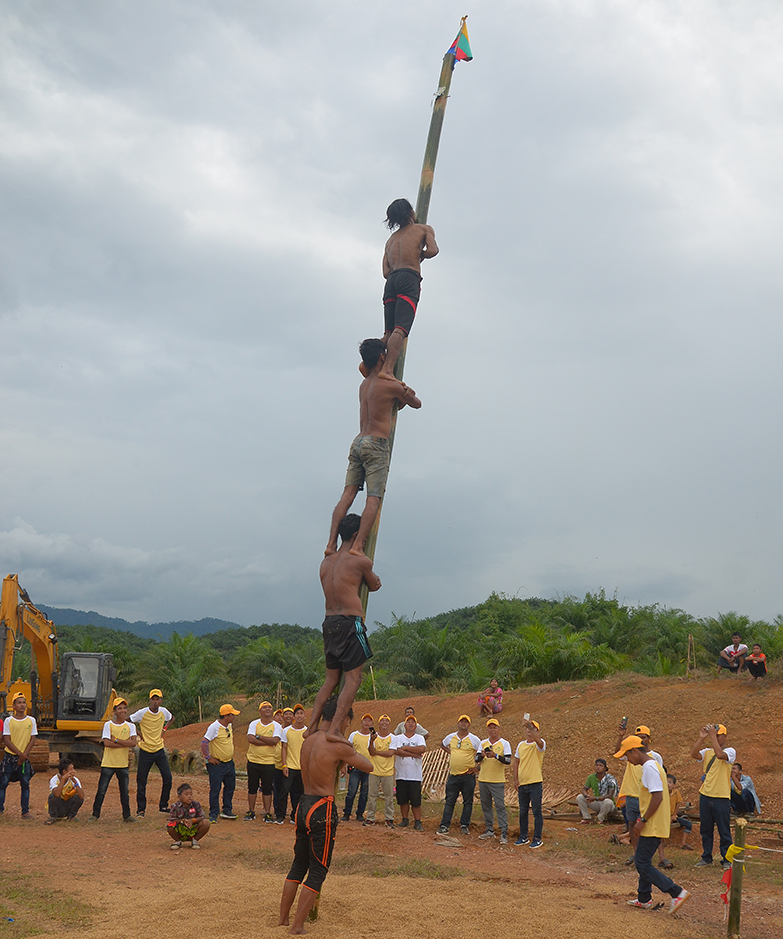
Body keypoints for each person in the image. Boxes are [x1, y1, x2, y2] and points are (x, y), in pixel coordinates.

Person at [278, 696, 373, 934]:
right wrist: (344, 748)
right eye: (347, 723)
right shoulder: (338, 744)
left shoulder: (307, 740)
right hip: (322, 807)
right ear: (342, 719)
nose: (346, 728)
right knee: (318, 870)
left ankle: (283, 919)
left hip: (303, 805)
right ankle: (297, 926)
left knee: (299, 864)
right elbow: (368, 766)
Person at [325, 339, 422, 559]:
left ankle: (331, 544)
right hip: (376, 444)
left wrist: (400, 395)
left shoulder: (365, 384)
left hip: (358, 441)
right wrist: (405, 389)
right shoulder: (390, 385)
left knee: (347, 494)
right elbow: (417, 403)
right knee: (373, 498)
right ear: (381, 357)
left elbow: (390, 404)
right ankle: (358, 546)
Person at [309, 512, 382, 742]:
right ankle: (334, 730)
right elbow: (374, 585)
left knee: (331, 680)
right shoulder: (360, 560)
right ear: (356, 534)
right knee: (354, 679)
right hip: (351, 623)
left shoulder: (325, 562)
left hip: (329, 623)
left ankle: (311, 728)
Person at [614, 735, 690, 914]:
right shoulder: (651, 766)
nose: (628, 760)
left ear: (635, 751)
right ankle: (644, 898)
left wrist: (643, 821)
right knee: (644, 860)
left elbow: (657, 797)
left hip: (652, 824)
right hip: (654, 823)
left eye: (627, 755)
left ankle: (676, 892)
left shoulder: (649, 768)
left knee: (641, 863)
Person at [379, 197, 439, 379]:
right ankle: (387, 370)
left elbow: (385, 271)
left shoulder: (390, 241)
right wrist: (418, 254)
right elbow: (433, 250)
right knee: (400, 328)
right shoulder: (423, 229)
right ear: (411, 212)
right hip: (408, 277)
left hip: (391, 281)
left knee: (388, 332)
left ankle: (374, 360)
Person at [614, 723, 664, 864]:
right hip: (632, 795)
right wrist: (621, 736)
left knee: (650, 826)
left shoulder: (653, 760)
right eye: (638, 737)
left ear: (649, 739)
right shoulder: (632, 754)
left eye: (644, 737)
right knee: (631, 824)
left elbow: (658, 792)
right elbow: (618, 752)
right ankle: (637, 854)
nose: (641, 740)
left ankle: (661, 857)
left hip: (648, 797)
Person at [690, 723, 736, 869]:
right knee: (706, 828)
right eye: (714, 735)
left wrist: (711, 736)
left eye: (718, 735)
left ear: (725, 737)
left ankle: (727, 859)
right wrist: (702, 738)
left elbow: (720, 755)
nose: (715, 738)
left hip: (721, 796)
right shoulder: (708, 751)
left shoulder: (730, 751)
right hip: (705, 794)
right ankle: (706, 857)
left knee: (724, 829)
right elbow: (693, 754)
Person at [91, 697, 137, 822]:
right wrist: (125, 743)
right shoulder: (108, 724)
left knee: (124, 792)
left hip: (122, 764)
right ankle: (95, 815)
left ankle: (127, 816)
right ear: (115, 711)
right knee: (101, 790)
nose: (123, 711)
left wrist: (116, 740)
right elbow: (107, 743)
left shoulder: (130, 726)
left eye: (124, 708)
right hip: (109, 763)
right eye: (119, 708)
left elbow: (133, 743)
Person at [130, 688, 174, 818]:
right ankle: (141, 810)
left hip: (159, 750)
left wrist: (164, 729)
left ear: (161, 700)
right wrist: (137, 733)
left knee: (168, 778)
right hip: (145, 751)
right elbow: (128, 720)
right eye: (153, 699)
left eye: (158, 699)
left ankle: (163, 805)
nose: (155, 702)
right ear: (150, 700)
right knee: (141, 781)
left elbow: (172, 719)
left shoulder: (164, 712)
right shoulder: (142, 713)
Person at [436, 715, 482, 835]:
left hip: (468, 775)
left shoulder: (474, 739)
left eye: (466, 722)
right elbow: (442, 745)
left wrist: (478, 767)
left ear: (469, 725)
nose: (463, 724)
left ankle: (464, 824)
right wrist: (453, 753)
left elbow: (482, 753)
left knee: (467, 801)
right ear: (458, 723)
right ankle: (444, 825)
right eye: (461, 721)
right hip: (453, 775)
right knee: (450, 801)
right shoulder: (451, 737)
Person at [0, 692, 38, 819]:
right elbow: (7, 740)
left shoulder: (31, 720)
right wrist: (20, 754)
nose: (22, 705)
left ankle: (25, 811)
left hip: (24, 757)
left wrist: (24, 755)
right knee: (3, 783)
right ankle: (0, 809)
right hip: (10, 757)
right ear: (14, 706)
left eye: (24, 702)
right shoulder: (8, 721)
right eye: (19, 702)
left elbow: (32, 739)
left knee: (25, 784)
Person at [201, 703, 240, 823]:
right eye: (232, 715)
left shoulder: (229, 725)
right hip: (217, 764)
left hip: (229, 763)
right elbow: (204, 742)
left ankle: (227, 810)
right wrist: (208, 757)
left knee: (230, 786)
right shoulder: (214, 727)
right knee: (215, 789)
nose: (234, 717)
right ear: (226, 716)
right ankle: (213, 813)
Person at [245, 700, 282, 822]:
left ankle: (267, 812)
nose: (268, 709)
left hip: (269, 762)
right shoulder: (254, 724)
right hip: (253, 760)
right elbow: (250, 739)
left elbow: (275, 741)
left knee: (267, 788)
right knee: (252, 787)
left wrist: (258, 736)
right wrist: (267, 741)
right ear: (260, 711)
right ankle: (251, 811)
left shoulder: (277, 726)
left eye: (270, 707)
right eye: (265, 707)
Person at [477, 718, 511, 844]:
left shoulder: (504, 744)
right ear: (487, 730)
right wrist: (482, 755)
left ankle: (503, 832)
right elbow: (476, 758)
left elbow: (508, 760)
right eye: (490, 728)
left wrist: (495, 755)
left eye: (494, 727)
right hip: (483, 779)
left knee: (500, 806)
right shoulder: (483, 742)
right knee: (486, 806)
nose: (492, 730)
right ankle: (489, 829)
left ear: (499, 729)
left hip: (497, 780)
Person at [513, 717, 546, 848]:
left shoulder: (539, 744)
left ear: (537, 731)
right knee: (523, 811)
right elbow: (516, 761)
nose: (529, 731)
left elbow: (541, 744)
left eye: (532, 728)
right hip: (523, 783)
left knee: (537, 811)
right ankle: (523, 836)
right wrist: (515, 779)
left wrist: (530, 727)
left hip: (535, 783)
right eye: (527, 728)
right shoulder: (521, 745)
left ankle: (537, 838)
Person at [390, 715, 426, 830]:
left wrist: (405, 748)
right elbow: (397, 751)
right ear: (404, 725)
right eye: (408, 722)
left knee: (416, 800)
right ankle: (404, 819)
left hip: (415, 775)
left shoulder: (420, 738)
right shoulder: (398, 737)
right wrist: (414, 754)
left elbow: (422, 749)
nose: (411, 724)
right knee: (403, 799)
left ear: (416, 726)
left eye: (413, 723)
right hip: (401, 774)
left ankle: (417, 821)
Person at [364, 714, 395, 827]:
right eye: (382, 721)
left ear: (389, 724)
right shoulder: (373, 737)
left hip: (387, 772)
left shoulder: (393, 737)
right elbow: (370, 751)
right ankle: (371, 818)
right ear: (378, 724)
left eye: (386, 721)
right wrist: (372, 741)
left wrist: (377, 752)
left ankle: (389, 818)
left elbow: (390, 753)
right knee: (372, 796)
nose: (384, 723)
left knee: (389, 797)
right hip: (374, 771)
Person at [342, 713, 373, 822]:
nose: (367, 723)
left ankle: (360, 813)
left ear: (372, 724)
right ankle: (347, 813)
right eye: (365, 720)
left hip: (368, 768)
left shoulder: (373, 736)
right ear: (361, 722)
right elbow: (347, 750)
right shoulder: (353, 735)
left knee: (364, 792)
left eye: (369, 721)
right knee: (352, 791)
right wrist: (344, 765)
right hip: (355, 767)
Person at [167, 782, 210, 850]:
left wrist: (193, 820)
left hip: (193, 828)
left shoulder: (196, 804)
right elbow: (172, 819)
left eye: (191, 794)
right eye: (186, 794)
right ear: (179, 796)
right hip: (181, 829)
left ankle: (195, 840)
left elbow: (202, 817)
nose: (189, 796)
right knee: (170, 825)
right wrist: (182, 821)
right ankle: (177, 841)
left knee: (206, 822)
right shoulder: (175, 806)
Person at [284, 705, 308, 823]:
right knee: (284, 791)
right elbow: (284, 748)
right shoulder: (286, 731)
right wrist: (284, 765)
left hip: (302, 768)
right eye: (297, 714)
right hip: (290, 766)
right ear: (294, 716)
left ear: (305, 716)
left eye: (301, 713)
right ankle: (280, 816)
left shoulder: (308, 732)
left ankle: (296, 815)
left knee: (300, 793)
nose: (299, 716)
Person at [576, 758, 618, 824]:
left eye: (600, 765)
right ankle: (587, 818)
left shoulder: (610, 779)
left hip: (607, 805)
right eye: (596, 765)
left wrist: (595, 798)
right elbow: (584, 789)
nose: (598, 767)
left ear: (605, 768)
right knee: (580, 797)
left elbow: (609, 796)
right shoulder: (591, 777)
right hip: (596, 803)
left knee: (608, 802)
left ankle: (599, 819)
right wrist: (587, 796)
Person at [273, 707, 295, 824]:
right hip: (277, 764)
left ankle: (293, 812)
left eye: (290, 714)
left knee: (292, 790)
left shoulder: (297, 730)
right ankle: (278, 811)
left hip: (292, 765)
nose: (287, 716)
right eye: (285, 714)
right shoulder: (277, 730)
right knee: (278, 789)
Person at [47, 758, 84, 823]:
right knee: (52, 796)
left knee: (78, 797)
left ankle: (71, 816)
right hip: (58, 805)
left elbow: (81, 796)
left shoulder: (75, 780)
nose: (74, 771)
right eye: (71, 769)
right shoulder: (54, 780)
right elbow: (56, 794)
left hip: (67, 804)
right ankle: (53, 817)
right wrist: (63, 780)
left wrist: (75, 782)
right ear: (64, 771)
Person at [667, 774, 693, 849]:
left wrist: (674, 815)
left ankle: (683, 843)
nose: (668, 784)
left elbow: (678, 804)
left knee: (688, 824)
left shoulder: (676, 792)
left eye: (670, 782)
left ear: (674, 785)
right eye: (666, 782)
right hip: (663, 817)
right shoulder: (661, 793)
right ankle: (660, 843)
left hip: (672, 816)